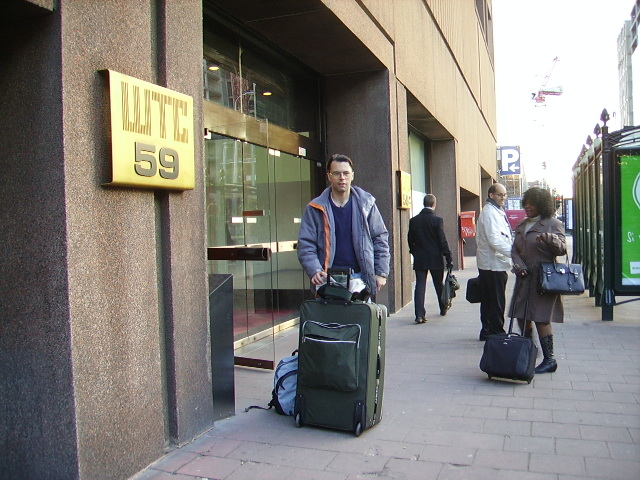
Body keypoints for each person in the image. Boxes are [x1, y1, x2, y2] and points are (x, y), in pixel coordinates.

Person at [297, 154, 390, 299]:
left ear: (352, 175)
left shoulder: (366, 204)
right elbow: (306, 244)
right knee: (330, 315)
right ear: (329, 176)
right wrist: (314, 269)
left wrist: (381, 272)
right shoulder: (315, 208)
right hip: (327, 279)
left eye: (346, 173)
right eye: (336, 173)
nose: (342, 178)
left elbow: (380, 238)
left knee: (360, 314)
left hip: (360, 278)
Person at [510, 187, 566, 374]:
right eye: (526, 203)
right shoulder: (522, 225)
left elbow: (562, 249)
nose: (527, 207)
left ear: (541, 205)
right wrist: (518, 265)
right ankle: (529, 351)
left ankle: (550, 359)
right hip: (524, 277)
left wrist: (551, 239)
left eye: (532, 204)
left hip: (543, 280)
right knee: (521, 316)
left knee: (541, 318)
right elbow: (514, 249)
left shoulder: (553, 224)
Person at [475, 183, 513, 340]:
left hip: (493, 264)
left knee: (489, 299)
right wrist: (514, 254)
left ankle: (487, 331)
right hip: (492, 265)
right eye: (500, 194)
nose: (503, 197)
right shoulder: (490, 212)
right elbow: (494, 240)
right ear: (491, 195)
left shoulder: (496, 211)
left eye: (504, 195)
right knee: (495, 300)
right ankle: (496, 332)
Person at [408, 194, 453, 323]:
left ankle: (419, 315)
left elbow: (410, 239)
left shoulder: (414, 220)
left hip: (420, 258)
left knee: (420, 286)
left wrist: (414, 252)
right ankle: (443, 307)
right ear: (434, 204)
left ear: (424, 204)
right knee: (438, 284)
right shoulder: (437, 220)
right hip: (435, 258)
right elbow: (442, 240)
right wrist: (448, 256)